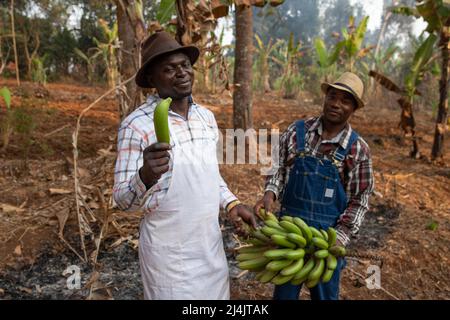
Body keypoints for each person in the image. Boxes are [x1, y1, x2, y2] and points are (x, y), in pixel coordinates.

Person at [113, 31, 256, 300]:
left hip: (210, 248)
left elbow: (210, 175)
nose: (181, 73)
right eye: (169, 69)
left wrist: (232, 204)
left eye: (185, 66)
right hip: (169, 258)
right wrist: (145, 175)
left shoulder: (206, 117)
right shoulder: (136, 124)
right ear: (152, 79)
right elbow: (122, 201)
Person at [254, 72, 374, 300]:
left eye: (345, 100)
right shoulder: (297, 131)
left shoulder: (358, 149)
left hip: (328, 240)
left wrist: (341, 236)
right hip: (290, 236)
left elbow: (360, 200)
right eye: (333, 96)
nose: (336, 104)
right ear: (325, 97)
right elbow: (277, 169)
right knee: (284, 296)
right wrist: (270, 193)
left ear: (354, 108)